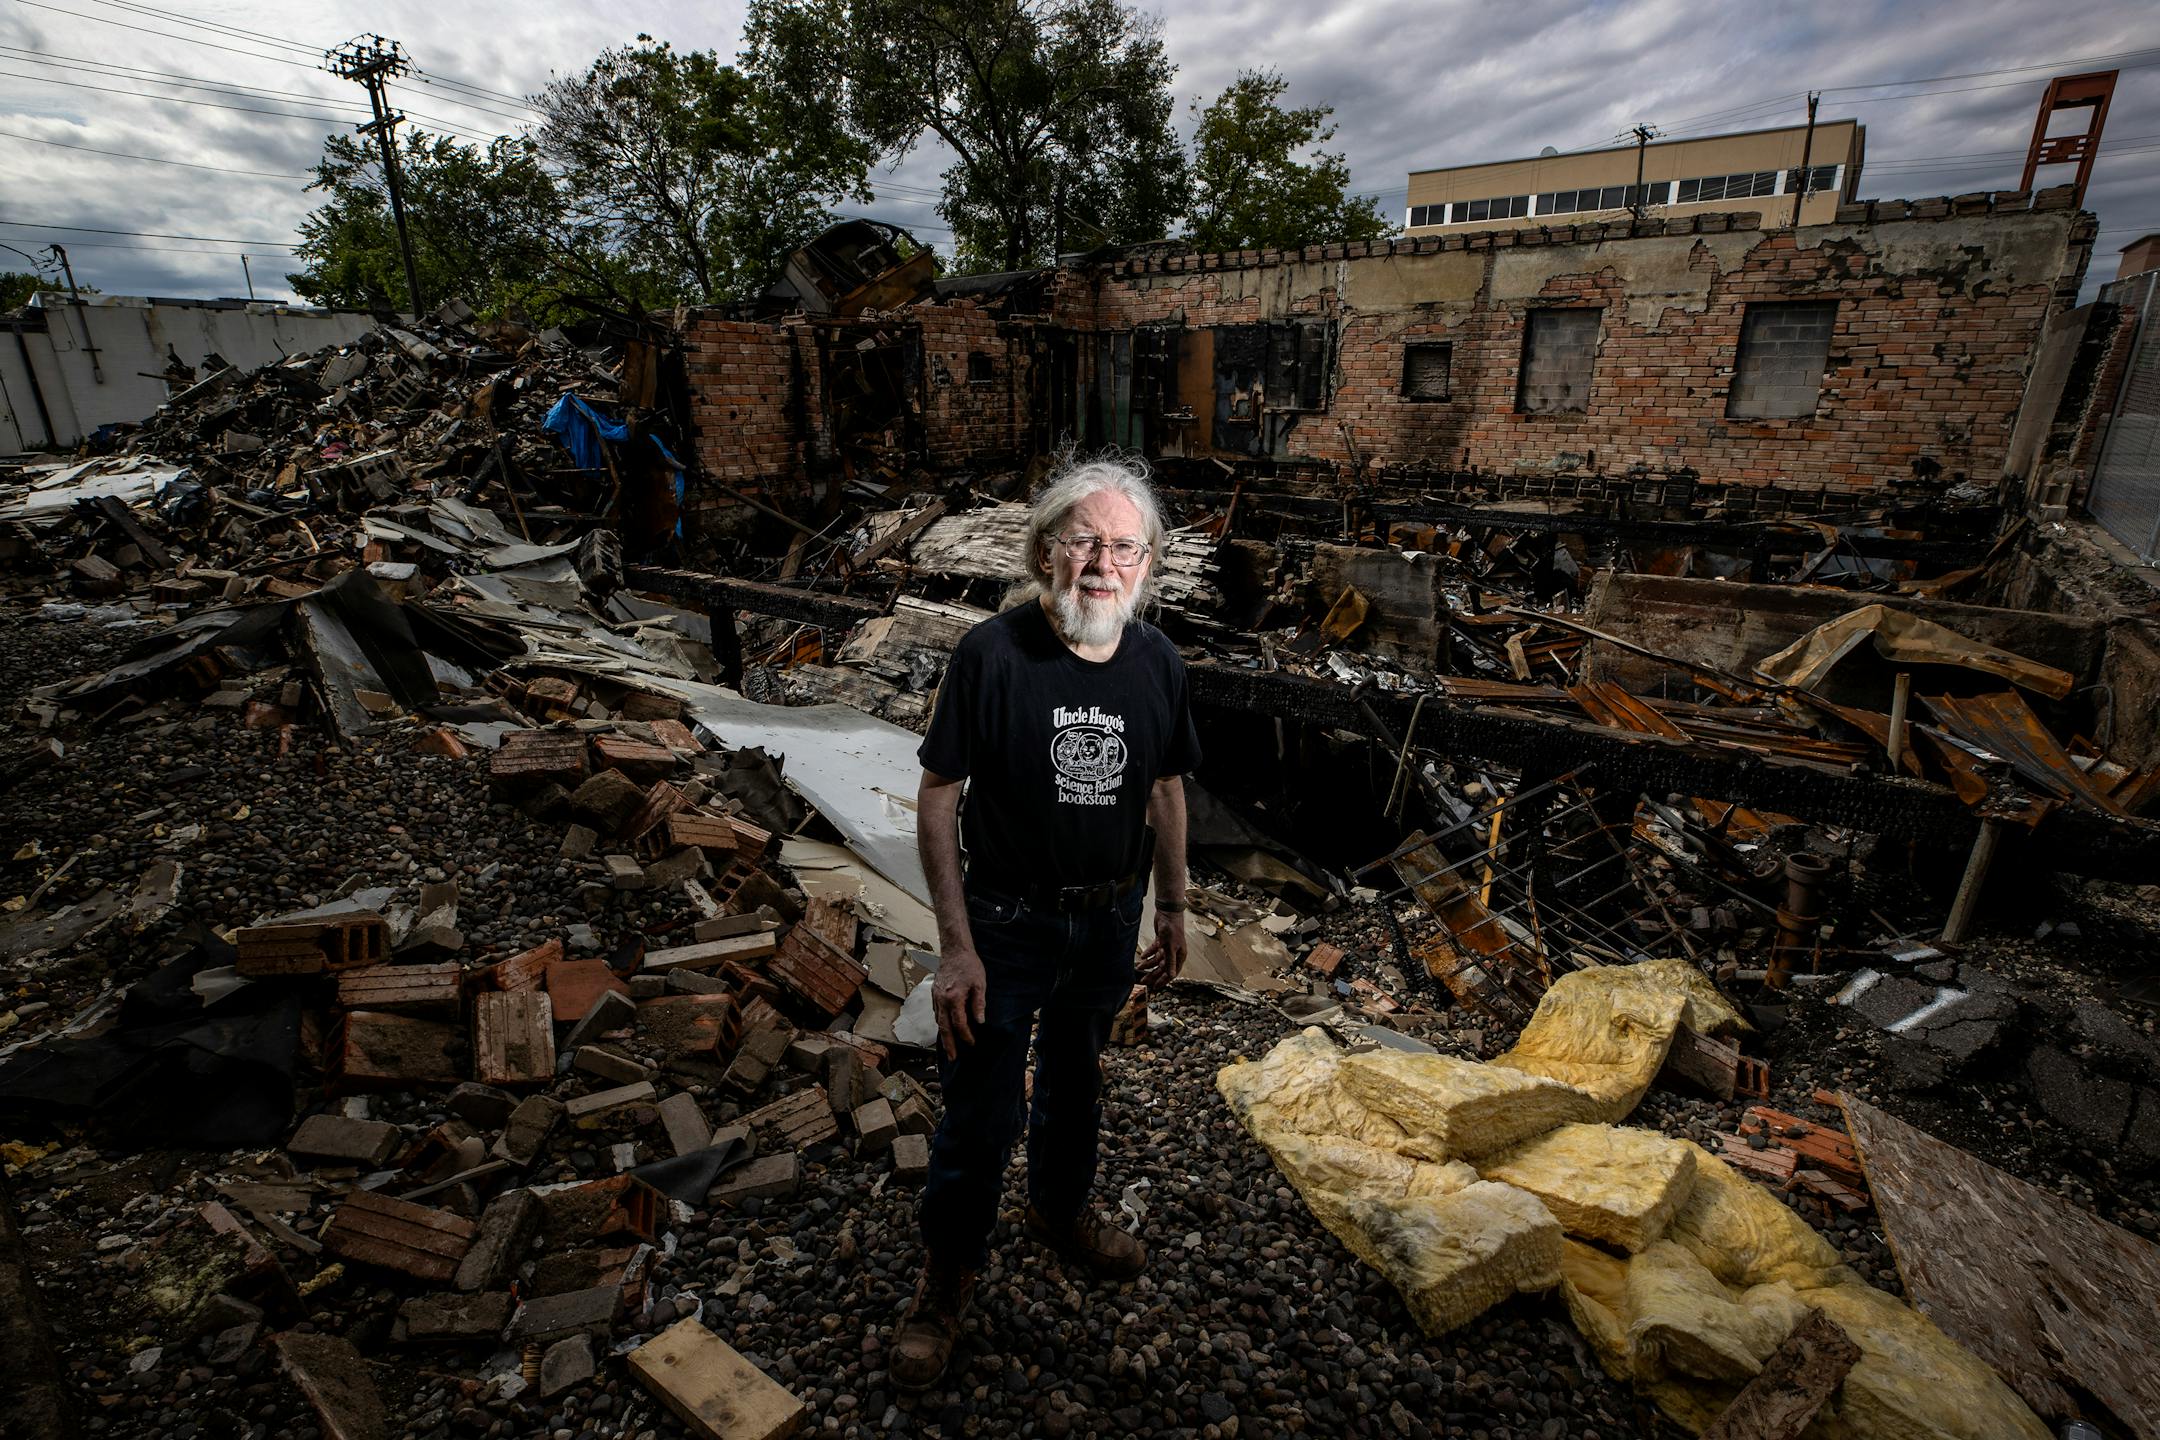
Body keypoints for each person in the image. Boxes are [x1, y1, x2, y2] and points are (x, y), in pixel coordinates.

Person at [890, 455, 1202, 1392]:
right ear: (1044, 552)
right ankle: (946, 1278)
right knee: (981, 1108)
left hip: (1105, 924)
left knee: (1076, 1085)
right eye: (1085, 542)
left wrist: (1176, 904)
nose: (1104, 563)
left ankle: (1059, 1213)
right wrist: (955, 946)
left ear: (1147, 567)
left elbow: (1162, 787)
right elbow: (940, 796)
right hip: (1005, 925)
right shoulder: (993, 653)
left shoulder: (1160, 663)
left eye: (1125, 547)